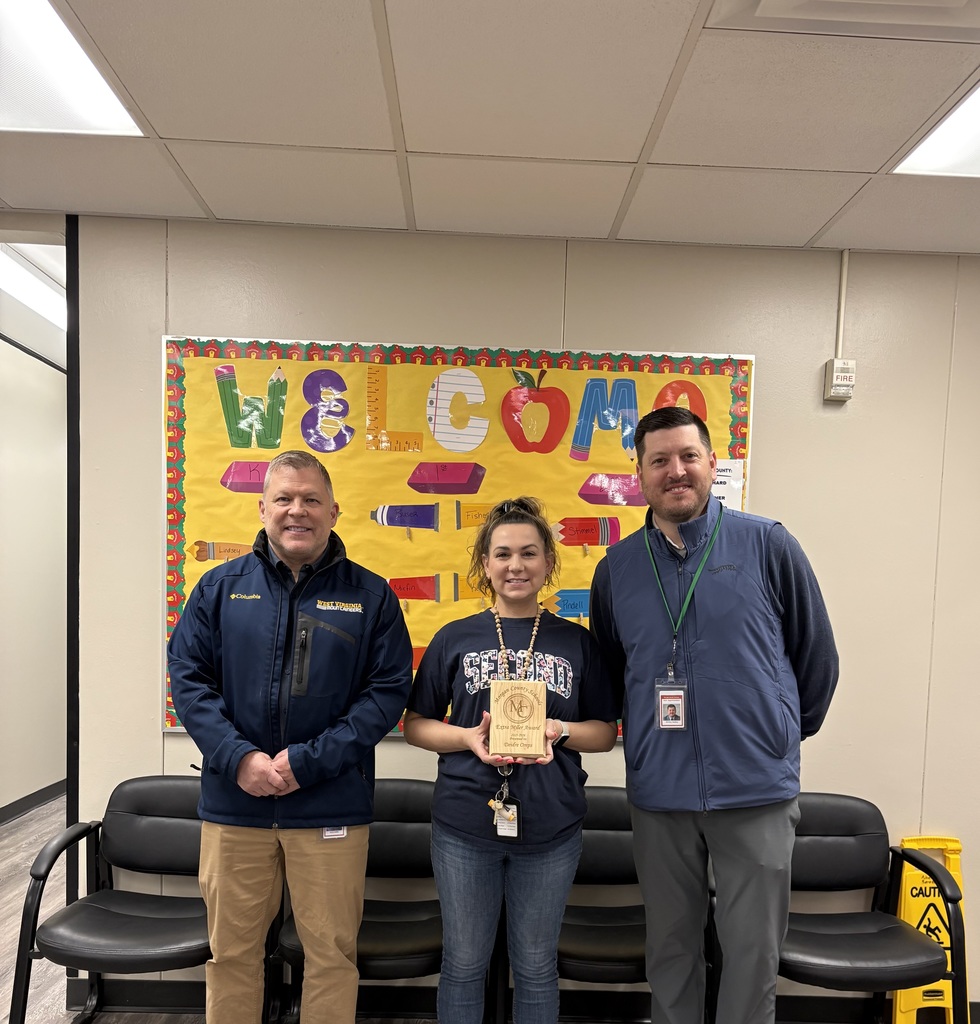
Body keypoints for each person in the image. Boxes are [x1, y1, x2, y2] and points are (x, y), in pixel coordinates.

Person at [589, 408, 839, 1024]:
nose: (675, 471)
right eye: (659, 460)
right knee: (670, 949)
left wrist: (777, 735)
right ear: (639, 475)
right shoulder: (616, 569)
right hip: (660, 793)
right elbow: (612, 674)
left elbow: (817, 657)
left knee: (752, 954)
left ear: (712, 463)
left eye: (688, 456)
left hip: (755, 788)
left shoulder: (767, 544)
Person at [168, 450, 413, 1024]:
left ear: (334, 512)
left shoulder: (372, 596)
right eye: (283, 498)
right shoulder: (218, 588)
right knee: (231, 954)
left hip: (329, 805)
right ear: (262, 509)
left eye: (310, 500)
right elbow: (189, 680)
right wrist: (240, 759)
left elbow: (385, 694)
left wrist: (307, 763)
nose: (296, 510)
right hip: (236, 805)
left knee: (331, 957)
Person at [404, 497, 619, 1024]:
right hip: (464, 827)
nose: (515, 565)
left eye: (528, 553)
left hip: (551, 829)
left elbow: (604, 733)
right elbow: (415, 725)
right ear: (485, 563)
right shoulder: (454, 637)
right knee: (463, 965)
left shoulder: (578, 642)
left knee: (537, 967)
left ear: (548, 562)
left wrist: (560, 731)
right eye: (502, 554)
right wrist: (466, 738)